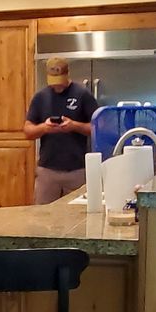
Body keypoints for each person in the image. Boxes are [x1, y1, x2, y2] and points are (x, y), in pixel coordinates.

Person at [24, 57, 100, 204]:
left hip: (77, 171)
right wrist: (44, 128)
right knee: (43, 215)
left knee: (76, 214)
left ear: (67, 74)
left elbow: (99, 128)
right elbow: (27, 130)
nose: (57, 86)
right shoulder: (40, 97)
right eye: (53, 81)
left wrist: (74, 126)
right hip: (47, 172)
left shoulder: (82, 94)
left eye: (60, 81)